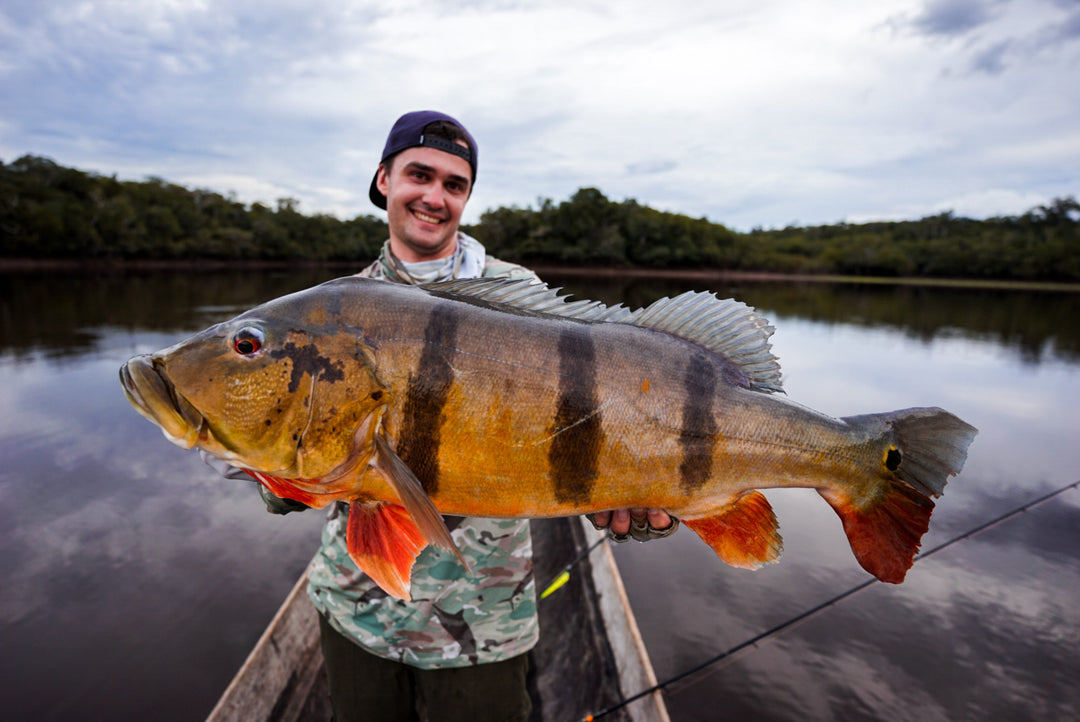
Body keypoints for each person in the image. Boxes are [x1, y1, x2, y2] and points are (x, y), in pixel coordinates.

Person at [293, 111, 677, 721]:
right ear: (384, 179)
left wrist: (646, 506)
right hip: (356, 608)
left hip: (487, 616)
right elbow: (284, 467)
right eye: (420, 174)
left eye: (455, 184)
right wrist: (278, 483)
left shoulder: (518, 295)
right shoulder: (330, 310)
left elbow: (593, 420)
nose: (435, 196)